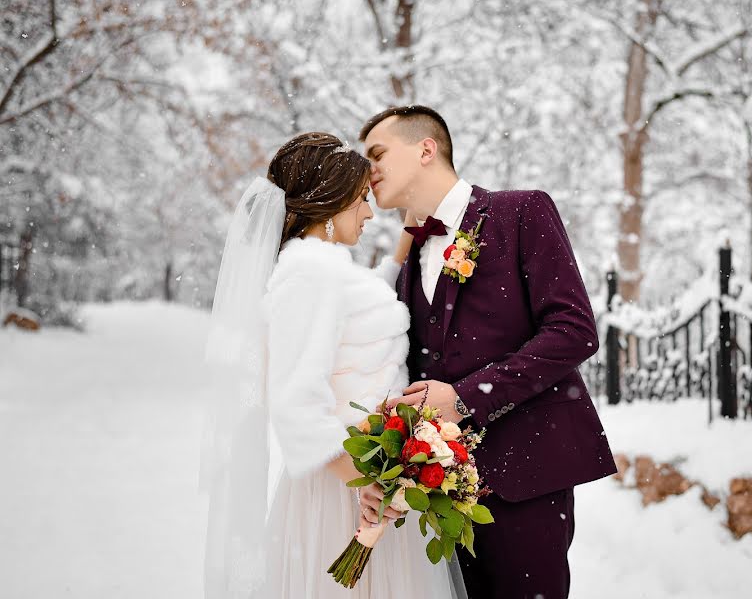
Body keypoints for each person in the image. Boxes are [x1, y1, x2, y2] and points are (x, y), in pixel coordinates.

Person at [359, 106, 618, 599]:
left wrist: (463, 398)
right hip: (444, 492)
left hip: (528, 475)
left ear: (425, 149)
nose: (368, 169)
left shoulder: (521, 212)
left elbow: (574, 330)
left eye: (378, 153)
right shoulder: (409, 257)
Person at [202, 132, 460, 598]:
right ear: (330, 202)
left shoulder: (326, 268)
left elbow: (362, 309)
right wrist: (368, 484)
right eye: (361, 199)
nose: (368, 212)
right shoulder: (309, 275)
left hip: (366, 480)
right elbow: (295, 404)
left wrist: (408, 236)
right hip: (343, 489)